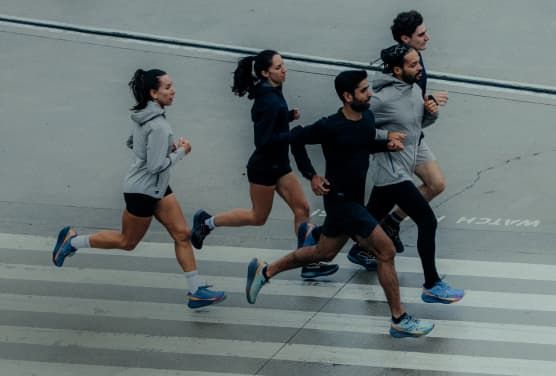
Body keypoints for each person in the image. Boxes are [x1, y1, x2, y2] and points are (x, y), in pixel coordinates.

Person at [245, 70, 434, 338]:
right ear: (347, 96)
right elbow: (296, 139)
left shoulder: (367, 117)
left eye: (368, 89)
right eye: (363, 90)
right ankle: (399, 318)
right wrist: (312, 175)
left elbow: (363, 144)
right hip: (342, 202)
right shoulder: (329, 125)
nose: (370, 94)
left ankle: (265, 271)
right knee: (386, 250)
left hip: (352, 199)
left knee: (323, 252)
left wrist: (385, 145)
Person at [51, 68, 226, 309]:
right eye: (167, 87)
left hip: (158, 188)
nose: (173, 91)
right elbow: (155, 166)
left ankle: (196, 291)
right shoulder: (158, 125)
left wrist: (167, 149)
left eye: (171, 85)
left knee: (182, 234)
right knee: (127, 242)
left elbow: (132, 143)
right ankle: (72, 241)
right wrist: (181, 152)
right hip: (143, 191)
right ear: (154, 93)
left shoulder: (145, 115)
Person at [190, 49, 338, 280]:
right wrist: (293, 134)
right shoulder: (268, 100)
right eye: (278, 67)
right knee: (257, 217)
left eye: (283, 65)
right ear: (265, 72)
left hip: (279, 164)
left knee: (302, 209)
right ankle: (207, 222)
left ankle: (308, 261)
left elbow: (271, 124)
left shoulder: (272, 91)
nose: (284, 70)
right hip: (264, 168)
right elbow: (263, 141)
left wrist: (287, 117)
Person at [354, 45, 464, 303]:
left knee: (359, 221)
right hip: (392, 173)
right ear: (397, 70)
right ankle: (431, 284)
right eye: (414, 65)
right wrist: (385, 138)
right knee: (428, 222)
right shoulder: (381, 99)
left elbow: (415, 126)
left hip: (400, 171)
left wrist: (430, 113)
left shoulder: (414, 90)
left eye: (419, 63)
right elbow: (356, 128)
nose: (420, 69)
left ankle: (317, 238)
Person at [351, 10, 448, 261]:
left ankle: (391, 223)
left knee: (436, 184)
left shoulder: (414, 60)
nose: (428, 37)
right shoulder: (398, 70)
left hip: (414, 138)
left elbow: (412, 104)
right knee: (374, 210)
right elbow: (365, 113)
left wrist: (429, 108)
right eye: (421, 34)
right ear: (405, 39)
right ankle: (334, 242)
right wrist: (385, 137)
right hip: (395, 148)